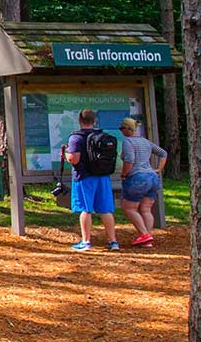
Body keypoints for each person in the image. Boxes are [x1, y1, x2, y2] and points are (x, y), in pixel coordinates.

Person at [64, 108, 121, 253]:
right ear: (94, 121)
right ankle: (113, 241)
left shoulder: (76, 138)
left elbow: (73, 159)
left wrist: (65, 154)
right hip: (102, 176)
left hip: (84, 177)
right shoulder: (101, 136)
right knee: (106, 209)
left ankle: (86, 241)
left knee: (85, 209)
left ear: (79, 120)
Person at [118, 117, 169, 246]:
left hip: (137, 177)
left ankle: (144, 234)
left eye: (121, 129)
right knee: (146, 209)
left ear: (127, 129)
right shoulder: (145, 142)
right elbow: (163, 153)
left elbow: (129, 160)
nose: (121, 131)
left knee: (128, 207)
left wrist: (124, 174)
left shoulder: (128, 142)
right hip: (152, 177)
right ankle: (147, 239)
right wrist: (159, 169)